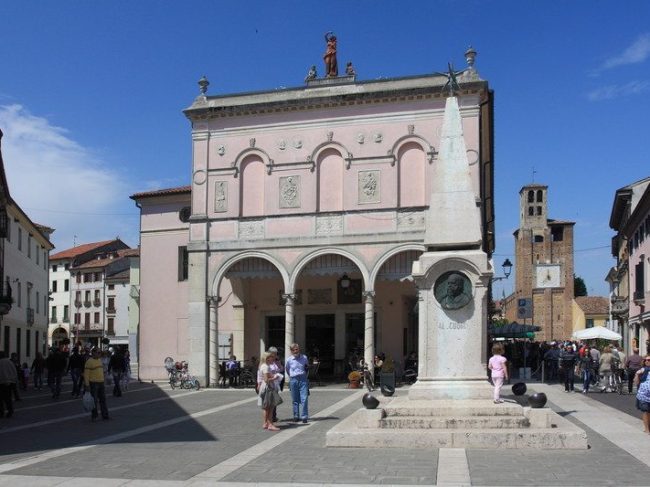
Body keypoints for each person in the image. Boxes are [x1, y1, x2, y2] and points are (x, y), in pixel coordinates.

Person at [285, 342, 309, 423]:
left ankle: (304, 416)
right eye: (294, 350)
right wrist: (292, 377)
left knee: (304, 398)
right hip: (293, 379)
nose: (296, 351)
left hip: (303, 379)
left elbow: (306, 367)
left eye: (297, 349)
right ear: (291, 351)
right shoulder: (289, 360)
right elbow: (287, 369)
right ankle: (296, 415)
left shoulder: (304, 358)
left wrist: (305, 377)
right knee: (295, 399)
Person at [257, 352, 281, 431]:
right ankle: (270, 424)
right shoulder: (265, 367)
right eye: (271, 357)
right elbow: (266, 380)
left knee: (267, 407)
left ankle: (267, 423)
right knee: (270, 407)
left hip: (266, 387)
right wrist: (275, 378)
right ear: (267, 358)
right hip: (268, 388)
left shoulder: (264, 366)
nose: (273, 359)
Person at [84, 347, 109, 421]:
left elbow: (102, 371)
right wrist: (87, 385)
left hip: (101, 382)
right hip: (93, 383)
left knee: (103, 400)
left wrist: (104, 380)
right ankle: (94, 416)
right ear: (93, 353)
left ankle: (105, 415)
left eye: (100, 353)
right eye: (98, 353)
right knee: (94, 401)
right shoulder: (89, 361)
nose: (99, 354)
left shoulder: (99, 360)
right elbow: (86, 374)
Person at [0, 351, 17, 418]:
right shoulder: (10, 362)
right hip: (10, 382)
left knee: (0, 399)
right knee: (8, 398)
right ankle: (10, 411)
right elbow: (14, 372)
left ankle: (1, 412)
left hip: (1, 382)